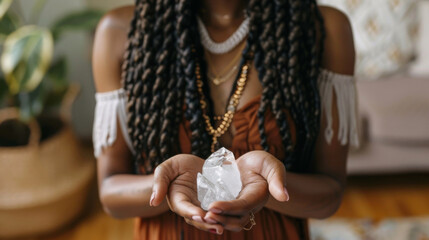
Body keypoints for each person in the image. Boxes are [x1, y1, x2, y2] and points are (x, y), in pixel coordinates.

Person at [92, 0, 358, 239]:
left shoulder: (323, 28)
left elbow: (330, 194)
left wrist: (268, 188)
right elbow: (109, 194)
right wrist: (169, 185)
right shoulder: (119, 32)